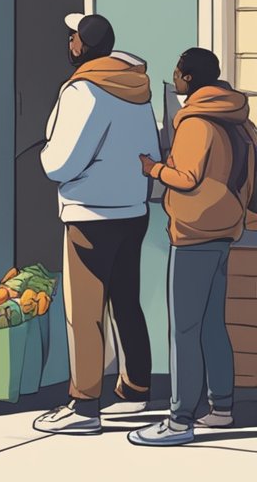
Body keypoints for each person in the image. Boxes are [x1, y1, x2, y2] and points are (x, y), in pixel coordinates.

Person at [34, 13, 159, 435]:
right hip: (133, 209)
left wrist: (44, 154)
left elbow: (61, 162)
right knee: (126, 299)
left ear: (82, 45)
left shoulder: (83, 91)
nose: (68, 41)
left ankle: (84, 404)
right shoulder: (137, 87)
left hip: (90, 212)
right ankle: (136, 386)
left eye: (72, 36)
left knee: (84, 311)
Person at [130, 48, 252, 446]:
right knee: (213, 325)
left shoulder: (197, 122)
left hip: (194, 233)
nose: (175, 80)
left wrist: (153, 169)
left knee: (185, 329)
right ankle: (221, 407)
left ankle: (180, 419)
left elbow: (185, 178)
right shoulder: (242, 121)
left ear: (188, 78)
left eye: (178, 75)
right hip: (225, 232)